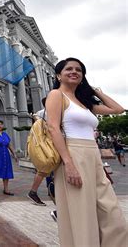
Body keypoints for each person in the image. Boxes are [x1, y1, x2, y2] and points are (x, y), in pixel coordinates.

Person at [46, 57, 127, 246]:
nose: (74, 72)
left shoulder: (85, 103)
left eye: (79, 70)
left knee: (111, 212)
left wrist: (95, 91)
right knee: (82, 217)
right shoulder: (56, 95)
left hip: (94, 157)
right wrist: (68, 163)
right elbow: (53, 128)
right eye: (69, 69)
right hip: (74, 154)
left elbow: (118, 109)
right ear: (58, 75)